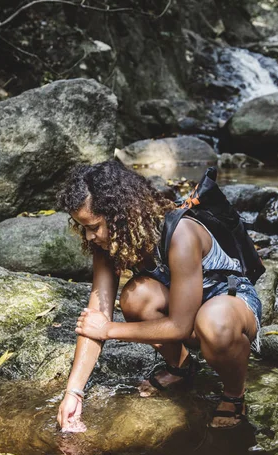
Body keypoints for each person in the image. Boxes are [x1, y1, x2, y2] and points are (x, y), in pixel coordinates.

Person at [56, 160, 262, 430]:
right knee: (135, 297)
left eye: (94, 226)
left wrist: (108, 329)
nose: (89, 235)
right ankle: (182, 367)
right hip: (186, 309)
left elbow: (180, 325)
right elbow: (95, 317)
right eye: (82, 226)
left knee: (214, 322)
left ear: (121, 215)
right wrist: (73, 393)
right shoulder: (108, 242)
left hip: (229, 302)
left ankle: (235, 394)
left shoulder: (181, 234)